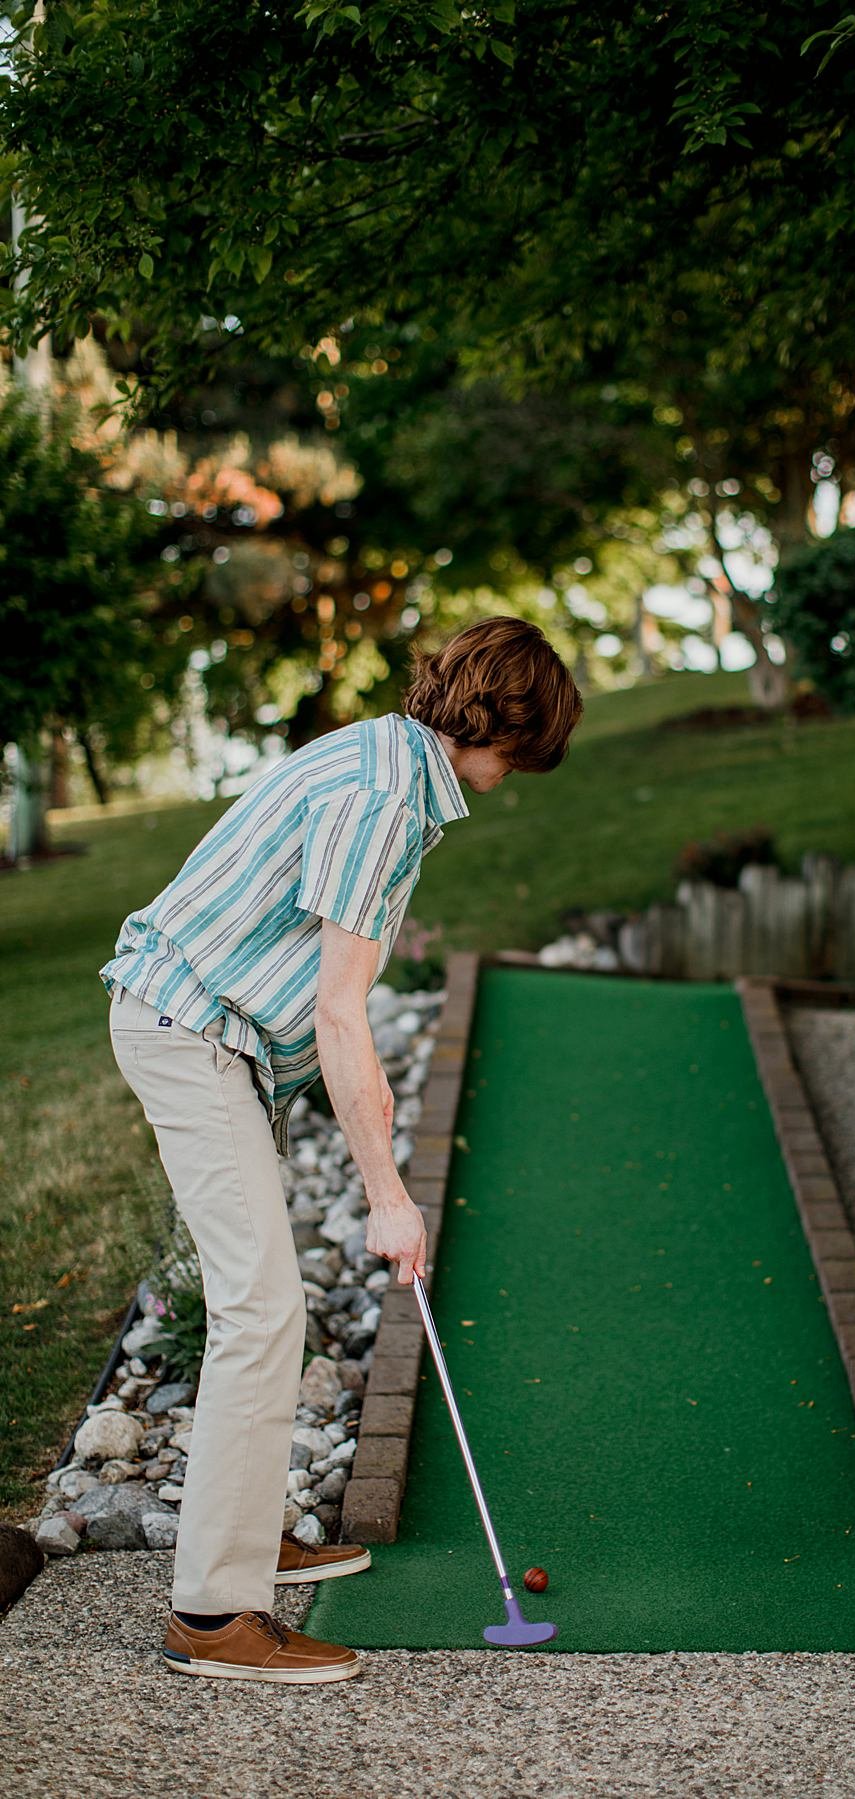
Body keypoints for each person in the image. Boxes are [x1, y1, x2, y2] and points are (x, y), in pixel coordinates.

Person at [100, 615, 582, 1683]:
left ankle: (246, 1532)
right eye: (525, 750)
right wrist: (388, 1195)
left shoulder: (381, 754)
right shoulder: (381, 800)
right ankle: (214, 1614)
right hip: (189, 1031)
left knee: (264, 1300)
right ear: (501, 726)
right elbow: (340, 1011)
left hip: (211, 1028)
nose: (521, 773)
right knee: (263, 1305)